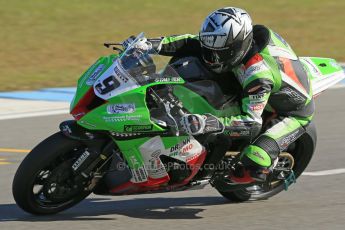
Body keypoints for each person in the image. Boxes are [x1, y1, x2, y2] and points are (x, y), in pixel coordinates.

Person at [129, 7, 314, 184]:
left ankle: (266, 167)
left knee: (256, 158)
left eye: (217, 53)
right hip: (251, 80)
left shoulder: (258, 76)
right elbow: (191, 42)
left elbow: (251, 123)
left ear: (236, 48)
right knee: (191, 63)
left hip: (292, 112)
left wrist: (207, 122)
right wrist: (149, 45)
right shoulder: (236, 42)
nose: (210, 56)